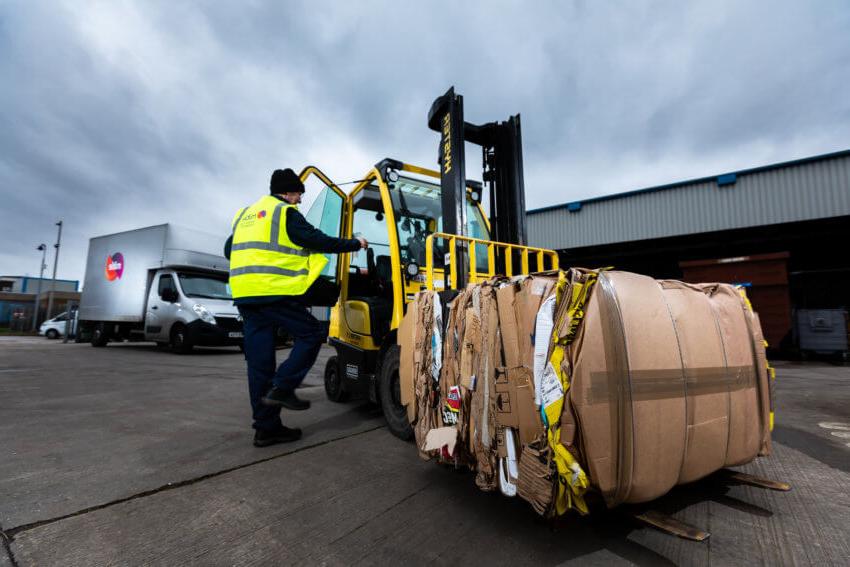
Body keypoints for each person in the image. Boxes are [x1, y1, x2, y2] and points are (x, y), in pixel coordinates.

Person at [225, 168, 367, 447]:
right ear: (288, 192)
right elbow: (318, 240)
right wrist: (354, 244)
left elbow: (229, 250)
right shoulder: (284, 213)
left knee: (259, 365)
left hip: (245, 296)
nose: (300, 200)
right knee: (312, 333)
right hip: (272, 292)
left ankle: (266, 429)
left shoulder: (246, 216)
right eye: (299, 194)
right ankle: (283, 386)